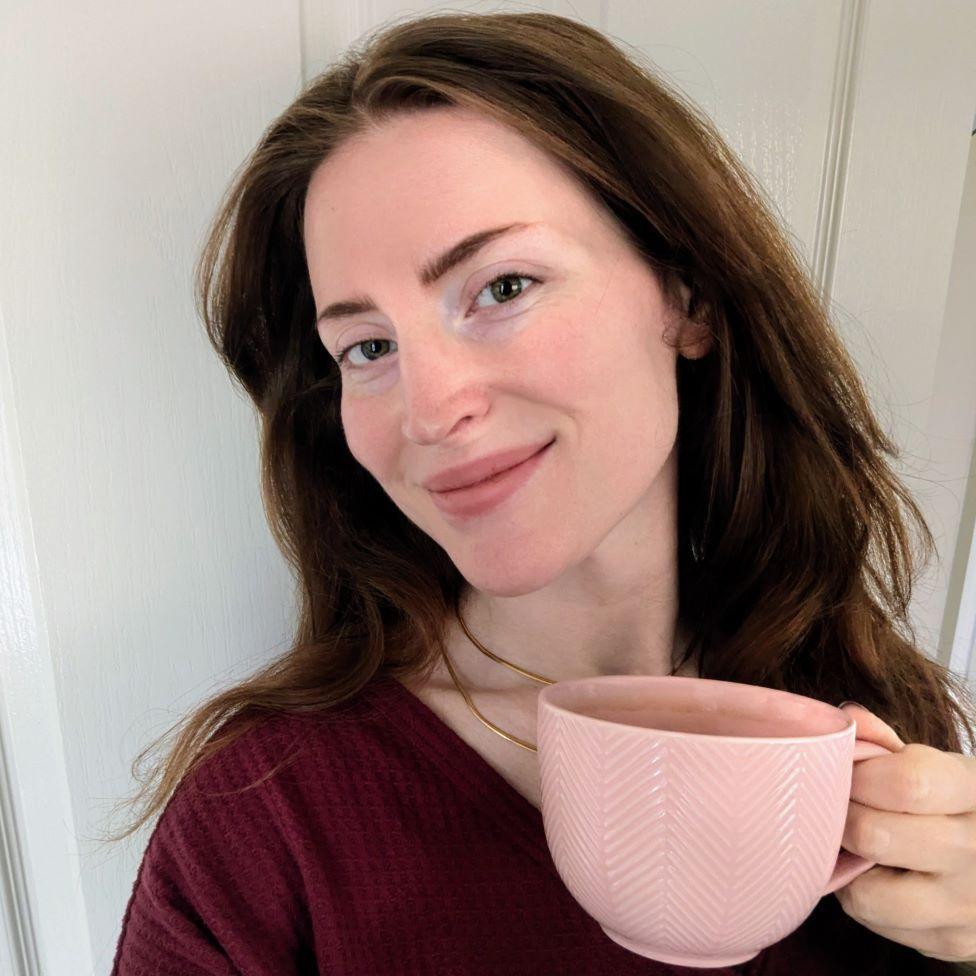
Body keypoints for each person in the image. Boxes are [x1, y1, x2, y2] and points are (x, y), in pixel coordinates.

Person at [105, 10, 976, 975]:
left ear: (683, 295)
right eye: (368, 347)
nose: (429, 411)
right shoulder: (264, 820)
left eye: (503, 288)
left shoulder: (884, 732)